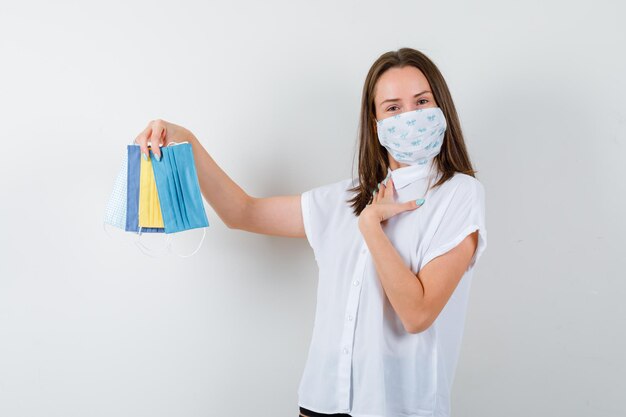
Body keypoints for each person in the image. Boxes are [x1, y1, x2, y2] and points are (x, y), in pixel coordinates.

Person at [133, 47, 487, 417]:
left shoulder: (459, 194)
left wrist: (371, 228)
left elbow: (417, 314)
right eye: (394, 108)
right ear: (375, 121)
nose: (410, 117)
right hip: (319, 404)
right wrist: (185, 139)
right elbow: (242, 212)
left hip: (399, 408)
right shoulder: (343, 199)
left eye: (422, 101)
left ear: (440, 106)